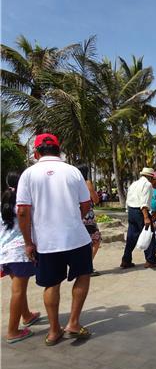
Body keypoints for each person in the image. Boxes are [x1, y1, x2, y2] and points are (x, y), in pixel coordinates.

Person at [16, 133, 93, 346]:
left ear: (36, 153)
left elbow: (22, 211)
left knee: (51, 284)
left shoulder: (29, 174)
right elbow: (86, 203)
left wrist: (28, 242)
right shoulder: (73, 171)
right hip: (76, 237)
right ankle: (74, 323)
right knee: (83, 275)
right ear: (59, 150)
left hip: (46, 242)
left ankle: (53, 331)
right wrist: (74, 219)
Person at [1, 172, 40, 344]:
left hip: (4, 253)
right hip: (19, 252)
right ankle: (12, 331)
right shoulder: (23, 205)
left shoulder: (3, 205)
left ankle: (27, 315)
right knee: (18, 291)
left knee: (19, 288)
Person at [120, 167, 156, 269]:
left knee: (131, 237)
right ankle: (151, 260)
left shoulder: (134, 184)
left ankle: (126, 260)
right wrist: (146, 217)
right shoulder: (147, 185)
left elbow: (128, 199)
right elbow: (144, 203)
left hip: (131, 211)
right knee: (149, 234)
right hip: (140, 212)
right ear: (150, 177)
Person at [77, 164, 102, 276]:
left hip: (77, 216)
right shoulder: (87, 183)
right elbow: (96, 200)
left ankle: (81, 266)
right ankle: (87, 266)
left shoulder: (73, 183)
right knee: (96, 240)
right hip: (88, 217)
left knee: (81, 243)